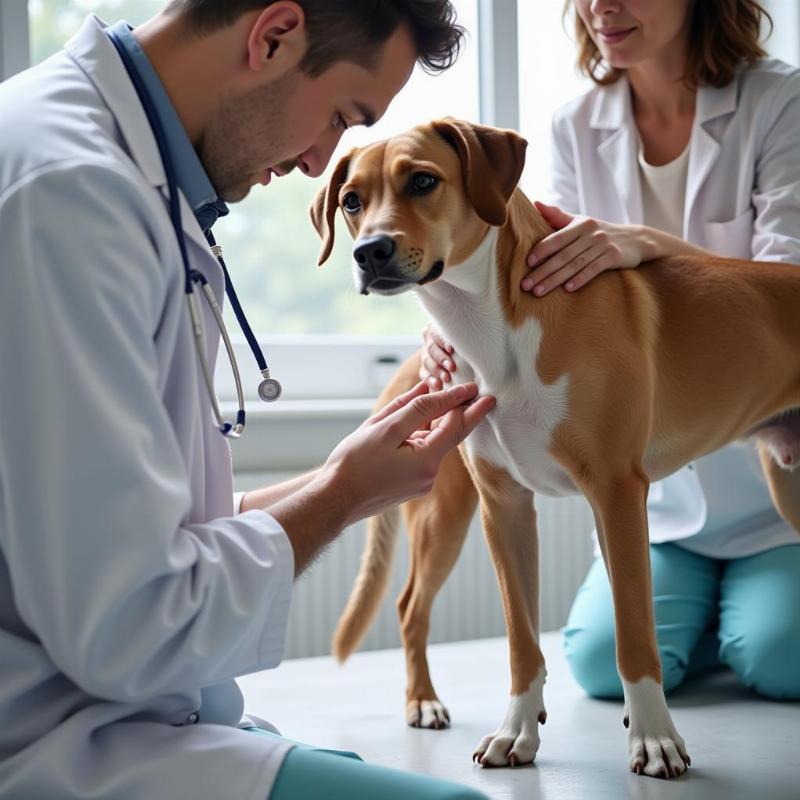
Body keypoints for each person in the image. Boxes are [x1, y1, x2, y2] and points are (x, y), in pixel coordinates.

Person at [0, 2, 496, 799]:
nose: (320, 161)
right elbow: (128, 622)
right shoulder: (71, 192)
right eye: (341, 115)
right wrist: (341, 496)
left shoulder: (130, 173)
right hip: (50, 744)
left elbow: (135, 530)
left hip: (123, 714)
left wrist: (341, 477)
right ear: (272, 36)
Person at [421, 0, 800, 702]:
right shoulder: (574, 125)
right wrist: (452, 325)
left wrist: (653, 246)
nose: (602, 7)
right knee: (598, 667)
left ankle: (754, 607)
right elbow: (535, 284)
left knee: (782, 662)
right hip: (657, 504)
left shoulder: (782, 100)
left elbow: (787, 289)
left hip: (766, 498)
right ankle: (713, 622)